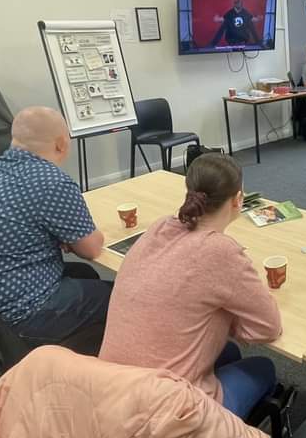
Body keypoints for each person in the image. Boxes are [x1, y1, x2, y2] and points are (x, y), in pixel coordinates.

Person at [99, 153, 282, 419]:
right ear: (238, 200)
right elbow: (267, 329)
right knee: (263, 367)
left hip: (110, 391)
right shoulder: (220, 251)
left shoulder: (160, 227)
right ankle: (225, 433)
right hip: (167, 414)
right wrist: (224, 319)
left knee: (229, 351)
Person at [0, 106, 111, 347]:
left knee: (85, 274)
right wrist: (88, 237)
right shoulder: (52, 182)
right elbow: (91, 249)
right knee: (121, 296)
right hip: (13, 316)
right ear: (61, 143)